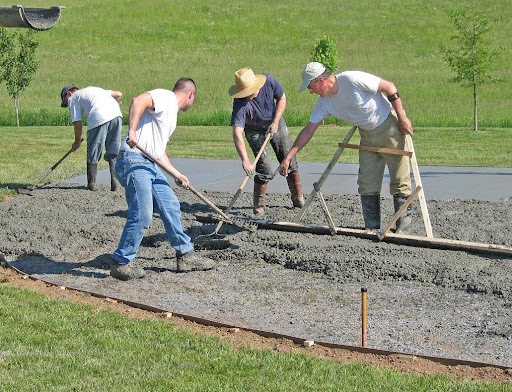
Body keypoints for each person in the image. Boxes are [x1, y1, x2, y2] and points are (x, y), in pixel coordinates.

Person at [277, 62, 414, 234]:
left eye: (311, 87)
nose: (311, 91)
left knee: (400, 181)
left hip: (390, 129)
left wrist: (402, 117)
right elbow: (308, 131)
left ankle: (403, 229)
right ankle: (371, 227)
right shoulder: (324, 103)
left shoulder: (351, 79)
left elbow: (389, 86)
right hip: (367, 136)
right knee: (366, 183)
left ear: (320, 80)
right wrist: (289, 157)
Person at [111, 78, 215, 281]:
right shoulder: (166, 97)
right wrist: (131, 131)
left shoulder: (170, 114)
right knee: (143, 214)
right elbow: (138, 100)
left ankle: (185, 255)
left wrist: (175, 173)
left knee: (171, 205)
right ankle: (121, 262)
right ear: (191, 95)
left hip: (149, 162)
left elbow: (158, 151)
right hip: (133, 159)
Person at [229, 67, 305, 216]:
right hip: (254, 130)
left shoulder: (269, 81)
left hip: (275, 120)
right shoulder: (240, 103)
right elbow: (237, 132)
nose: (247, 96)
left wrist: (276, 122)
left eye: (249, 92)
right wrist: (245, 160)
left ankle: (298, 197)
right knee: (265, 168)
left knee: (288, 158)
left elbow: (282, 98)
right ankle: (259, 205)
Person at [60, 84, 123, 191]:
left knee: (93, 151)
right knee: (113, 151)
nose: (67, 104)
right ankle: (115, 183)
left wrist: (77, 142)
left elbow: (77, 124)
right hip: (116, 115)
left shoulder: (73, 98)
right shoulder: (94, 90)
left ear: (68, 94)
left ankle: (91, 184)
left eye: (65, 101)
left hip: (99, 116)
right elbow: (118, 94)